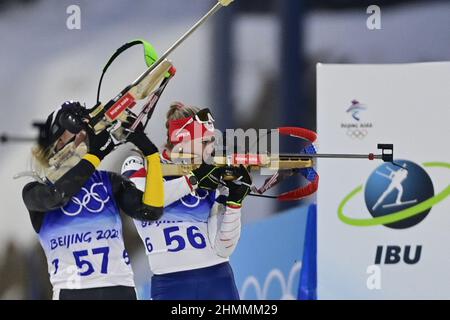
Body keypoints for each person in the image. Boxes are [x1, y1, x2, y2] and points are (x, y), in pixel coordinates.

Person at [22, 101, 164, 300]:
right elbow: (57, 196)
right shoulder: (34, 190)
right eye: (76, 134)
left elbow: (152, 211)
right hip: (72, 292)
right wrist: (95, 155)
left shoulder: (109, 182)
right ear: (56, 144)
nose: (83, 138)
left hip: (120, 288)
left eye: (85, 134)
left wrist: (152, 154)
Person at [121, 102, 252, 300]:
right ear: (181, 141)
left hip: (217, 278)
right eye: (204, 142)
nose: (211, 149)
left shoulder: (210, 174)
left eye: (212, 142)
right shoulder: (142, 163)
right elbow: (145, 202)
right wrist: (193, 180)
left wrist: (234, 203)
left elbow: (224, 248)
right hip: (170, 284)